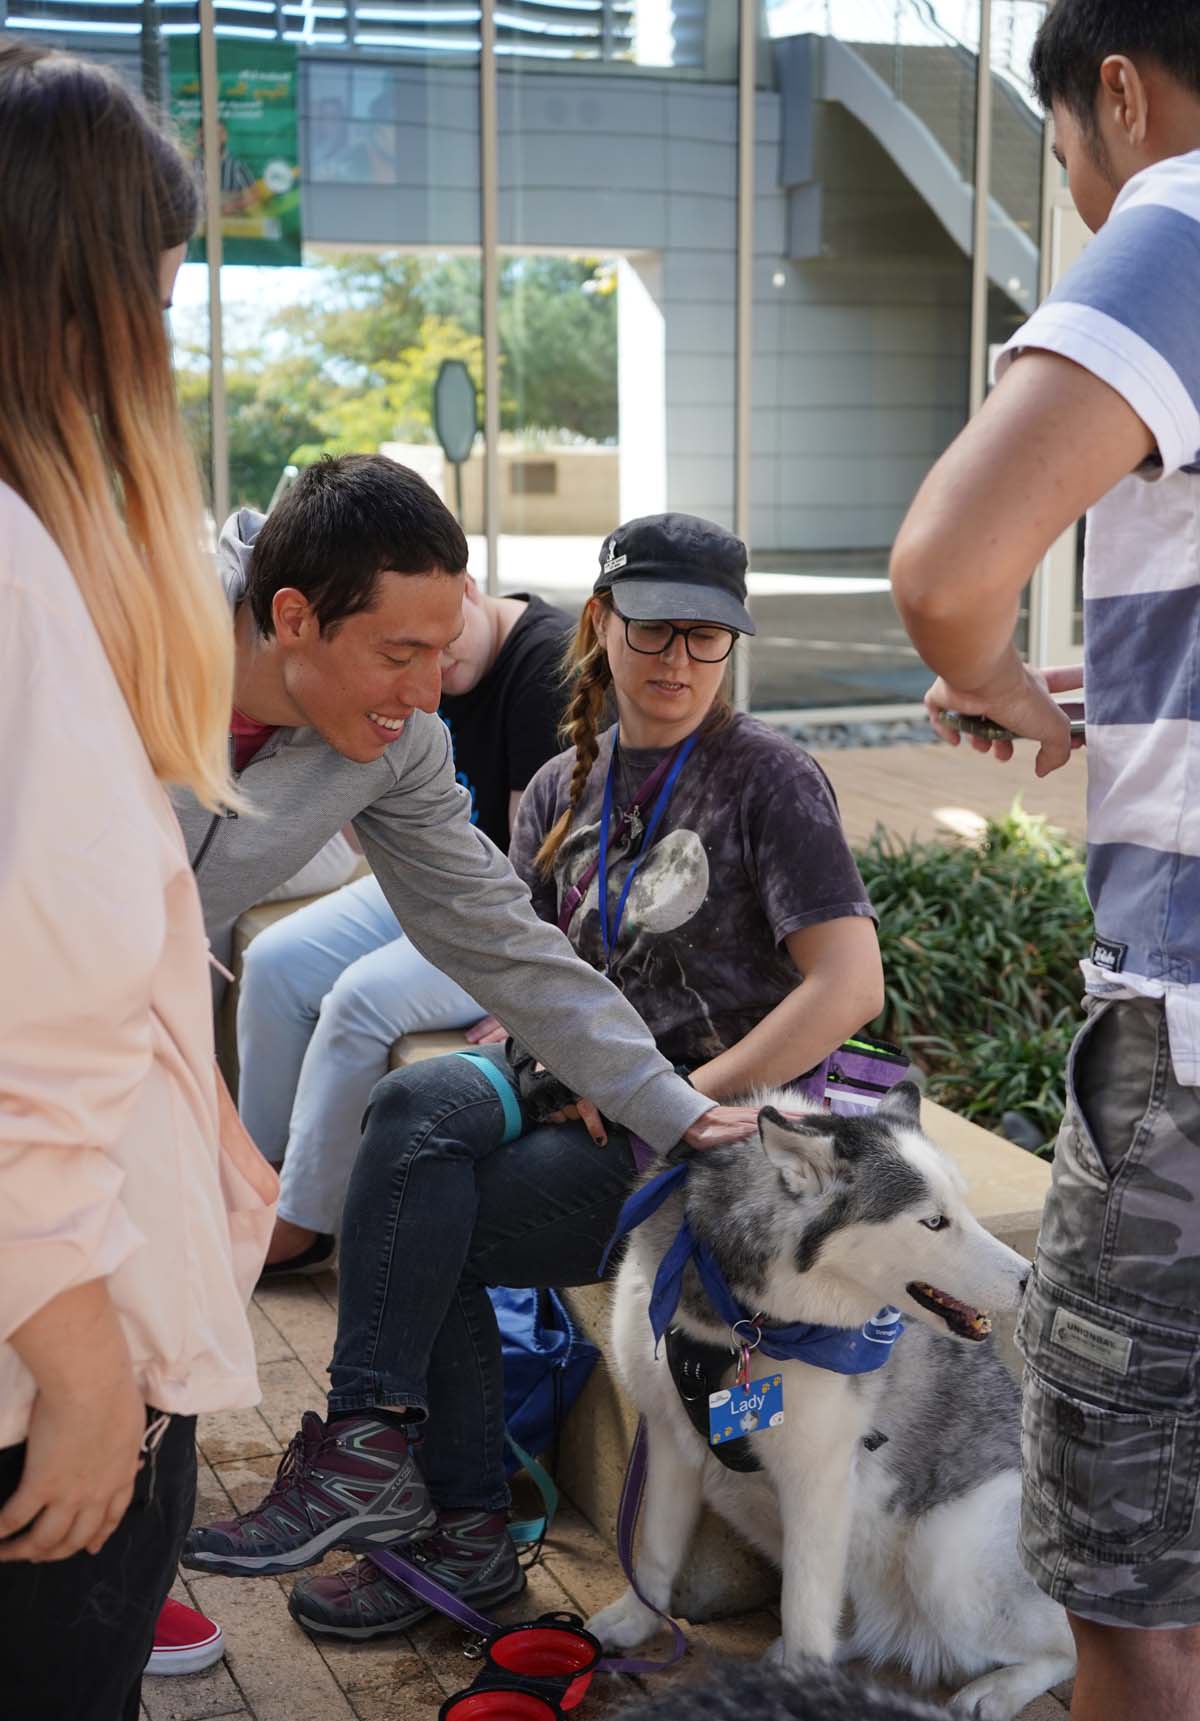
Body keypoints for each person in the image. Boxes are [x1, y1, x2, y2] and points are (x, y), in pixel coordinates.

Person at [182, 512, 884, 1642]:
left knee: (429, 1219)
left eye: (707, 638)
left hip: (703, 1131)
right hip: (571, 1084)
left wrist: (679, 1093)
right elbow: (513, 959)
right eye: (652, 628)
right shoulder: (564, 781)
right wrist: (528, 1061)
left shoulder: (769, 778)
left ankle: (452, 1526)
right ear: (602, 627)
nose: (676, 660)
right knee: (409, 1110)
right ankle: (379, 1457)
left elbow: (850, 989)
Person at [889, 6, 1200, 1721]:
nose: (1085, 203)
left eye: (1073, 164)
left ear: (1120, 90)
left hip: (1186, 1060)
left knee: (1140, 1597)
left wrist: (992, 664)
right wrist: (1088, 693)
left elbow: (943, 569)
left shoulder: (1180, 219)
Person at [0, 42, 274, 1721]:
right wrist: (87, 1363)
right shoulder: (18, 576)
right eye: (159, 284)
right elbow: (43, 1012)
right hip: (54, 1364)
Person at [181, 454, 752, 1181]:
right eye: (399, 653)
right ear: (294, 617)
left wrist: (668, 1102)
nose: (426, 695)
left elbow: (494, 930)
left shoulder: (402, 744)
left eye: (442, 651)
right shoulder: (114, 655)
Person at [234, 566, 571, 1275]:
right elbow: (369, 827)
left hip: (515, 908)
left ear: (470, 591)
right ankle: (255, 1179)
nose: (429, 678)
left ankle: (303, 1222)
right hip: (423, 867)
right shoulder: (420, 660)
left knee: (360, 998)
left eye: (441, 647)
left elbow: (530, 876)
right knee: (275, 962)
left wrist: (530, 1005)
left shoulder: (543, 664)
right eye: (405, 654)